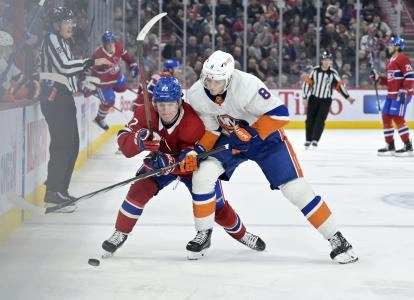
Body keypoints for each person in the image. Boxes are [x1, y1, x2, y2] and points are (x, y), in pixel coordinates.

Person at [185, 50, 358, 264]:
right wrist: (199, 150)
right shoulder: (196, 94)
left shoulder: (247, 85)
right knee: (202, 175)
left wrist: (252, 133)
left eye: (216, 81)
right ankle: (203, 234)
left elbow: (280, 114)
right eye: (207, 79)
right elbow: (211, 130)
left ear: (229, 78)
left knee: (296, 189)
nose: (210, 85)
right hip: (231, 140)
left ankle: (337, 238)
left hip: (265, 140)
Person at [102, 77, 265, 260]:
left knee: (217, 206)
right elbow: (124, 141)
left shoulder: (192, 121)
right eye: (160, 104)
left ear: (179, 101)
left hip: (190, 166)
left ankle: (242, 234)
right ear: (154, 102)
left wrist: (169, 163)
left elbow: (191, 160)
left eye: (170, 103)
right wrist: (138, 140)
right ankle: (120, 232)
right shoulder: (143, 113)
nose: (165, 109)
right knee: (138, 190)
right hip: (160, 162)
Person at [37, 6, 112, 212]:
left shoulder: (64, 41)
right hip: (55, 97)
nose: (70, 25)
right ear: (56, 24)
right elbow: (65, 67)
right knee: (62, 145)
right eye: (65, 22)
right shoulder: (52, 39)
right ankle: (53, 193)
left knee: (71, 145)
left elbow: (69, 70)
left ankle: (60, 190)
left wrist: (84, 81)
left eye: (71, 21)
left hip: (64, 96)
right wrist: (91, 61)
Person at [370, 36, 414, 156]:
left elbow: (410, 76)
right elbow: (390, 80)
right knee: (386, 116)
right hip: (391, 94)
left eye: (391, 44)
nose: (388, 46)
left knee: (397, 118)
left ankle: (408, 146)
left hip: (401, 94)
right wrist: (378, 79)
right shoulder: (391, 61)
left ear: (397, 46)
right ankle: (390, 145)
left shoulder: (403, 58)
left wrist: (404, 90)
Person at [302, 50, 355, 149]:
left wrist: (348, 97)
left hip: (325, 100)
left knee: (320, 120)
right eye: (325, 60)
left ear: (331, 62)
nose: (326, 62)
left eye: (328, 60)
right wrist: (304, 97)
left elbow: (339, 86)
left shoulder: (333, 73)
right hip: (313, 98)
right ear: (322, 61)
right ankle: (308, 139)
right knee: (309, 120)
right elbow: (307, 83)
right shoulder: (315, 70)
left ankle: (315, 140)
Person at [91, 30, 139, 131]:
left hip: (116, 77)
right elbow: (91, 70)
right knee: (109, 101)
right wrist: (102, 69)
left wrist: (133, 65)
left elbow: (127, 57)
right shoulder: (98, 54)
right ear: (103, 44)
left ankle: (107, 92)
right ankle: (99, 119)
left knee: (123, 87)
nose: (110, 45)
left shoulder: (118, 46)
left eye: (111, 42)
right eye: (107, 44)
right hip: (103, 84)